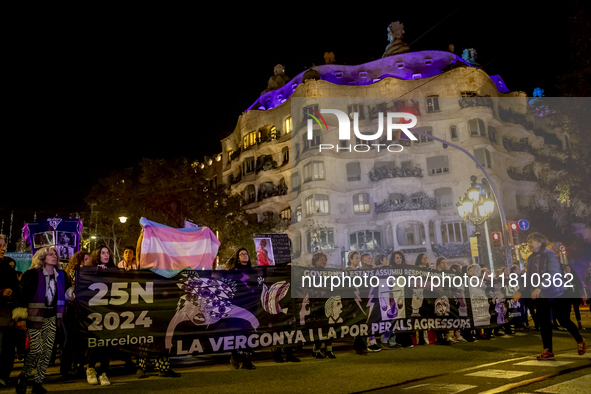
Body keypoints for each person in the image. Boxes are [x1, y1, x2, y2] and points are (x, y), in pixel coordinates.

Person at [512, 233, 586, 360]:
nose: (529, 244)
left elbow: (552, 274)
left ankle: (580, 340)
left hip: (557, 293)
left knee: (563, 320)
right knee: (544, 322)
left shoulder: (549, 254)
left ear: (540, 243)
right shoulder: (530, 258)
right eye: (528, 241)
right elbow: (529, 277)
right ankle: (548, 350)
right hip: (542, 295)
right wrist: (520, 290)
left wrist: (540, 286)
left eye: (532, 241)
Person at [13, 246, 71, 394]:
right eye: (50, 254)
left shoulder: (61, 275)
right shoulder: (32, 274)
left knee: (46, 352)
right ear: (42, 257)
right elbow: (22, 296)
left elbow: (68, 292)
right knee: (37, 350)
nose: (54, 256)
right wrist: (20, 317)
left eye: (55, 254)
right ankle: (24, 375)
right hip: (34, 318)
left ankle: (38, 383)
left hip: (52, 318)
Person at [85, 245, 115, 385]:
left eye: (108, 253)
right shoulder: (89, 271)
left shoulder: (113, 270)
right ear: (97, 255)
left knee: (107, 343)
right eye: (103, 253)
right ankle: (90, 368)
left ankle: (104, 372)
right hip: (95, 313)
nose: (106, 255)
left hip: (110, 313)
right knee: (95, 342)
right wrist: (97, 272)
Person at [230, 248, 256, 369]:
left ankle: (247, 360)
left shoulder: (253, 271)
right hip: (238, 305)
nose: (245, 256)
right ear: (238, 258)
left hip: (250, 305)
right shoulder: (234, 272)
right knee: (237, 331)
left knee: (248, 331)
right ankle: (234, 356)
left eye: (246, 254)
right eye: (242, 254)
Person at [0, 234, 19, 388]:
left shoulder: (7, 268)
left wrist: (11, 291)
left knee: (6, 349)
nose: (4, 248)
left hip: (6, 316)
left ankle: (3, 376)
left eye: (4, 245)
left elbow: (17, 289)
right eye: (0, 245)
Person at [562, 265, 586, 331]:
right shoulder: (562, 277)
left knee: (576, 310)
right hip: (567, 295)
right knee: (567, 311)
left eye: (568, 268)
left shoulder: (574, 276)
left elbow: (579, 286)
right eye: (565, 268)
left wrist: (582, 295)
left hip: (575, 295)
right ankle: (566, 325)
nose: (567, 269)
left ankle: (579, 324)